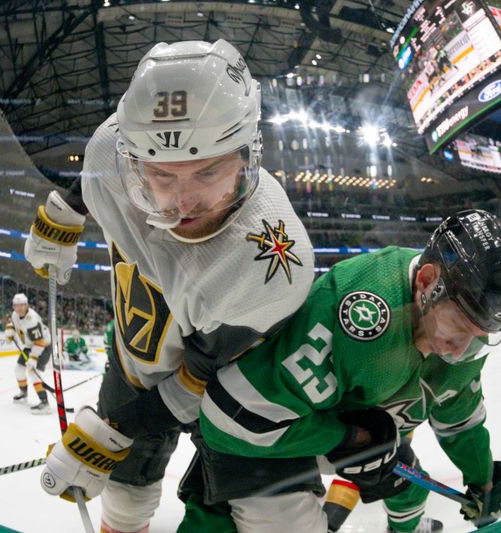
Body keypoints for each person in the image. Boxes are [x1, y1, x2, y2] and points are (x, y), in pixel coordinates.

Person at [24, 39, 314, 532]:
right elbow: (98, 171)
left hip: (232, 383)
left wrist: (116, 429)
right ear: (134, 162)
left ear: (247, 154)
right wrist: (65, 213)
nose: (184, 202)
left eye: (208, 171)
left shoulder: (269, 265)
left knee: (274, 513)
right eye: (160, 174)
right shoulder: (113, 147)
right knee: (122, 499)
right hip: (136, 357)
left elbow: (197, 378)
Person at [198, 209, 501, 532]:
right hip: (254, 438)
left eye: (478, 337)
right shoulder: (359, 318)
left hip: (319, 421)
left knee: (408, 482)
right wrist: (348, 438)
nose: (459, 350)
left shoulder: (459, 345)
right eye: (458, 326)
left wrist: (482, 481)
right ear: (427, 281)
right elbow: (228, 418)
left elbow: (459, 418)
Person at [5, 293, 53, 414]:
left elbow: (40, 342)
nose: (19, 308)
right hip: (30, 345)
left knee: (33, 373)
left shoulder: (32, 319)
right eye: (16, 305)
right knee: (19, 369)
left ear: (26, 305)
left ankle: (45, 403)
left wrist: (33, 358)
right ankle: (24, 392)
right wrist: (10, 329)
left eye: (21, 305)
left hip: (43, 346)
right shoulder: (15, 314)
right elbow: (13, 322)